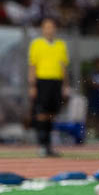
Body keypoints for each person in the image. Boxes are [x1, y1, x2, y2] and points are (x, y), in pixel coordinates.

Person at [28, 17, 70, 157]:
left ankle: (49, 146)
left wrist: (65, 85)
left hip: (56, 82)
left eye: (51, 27)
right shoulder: (37, 44)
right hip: (42, 81)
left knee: (52, 114)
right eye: (46, 27)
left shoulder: (61, 45)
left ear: (55, 29)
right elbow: (32, 65)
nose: (49, 30)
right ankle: (42, 144)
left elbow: (64, 67)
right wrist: (32, 85)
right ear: (42, 29)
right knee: (41, 113)